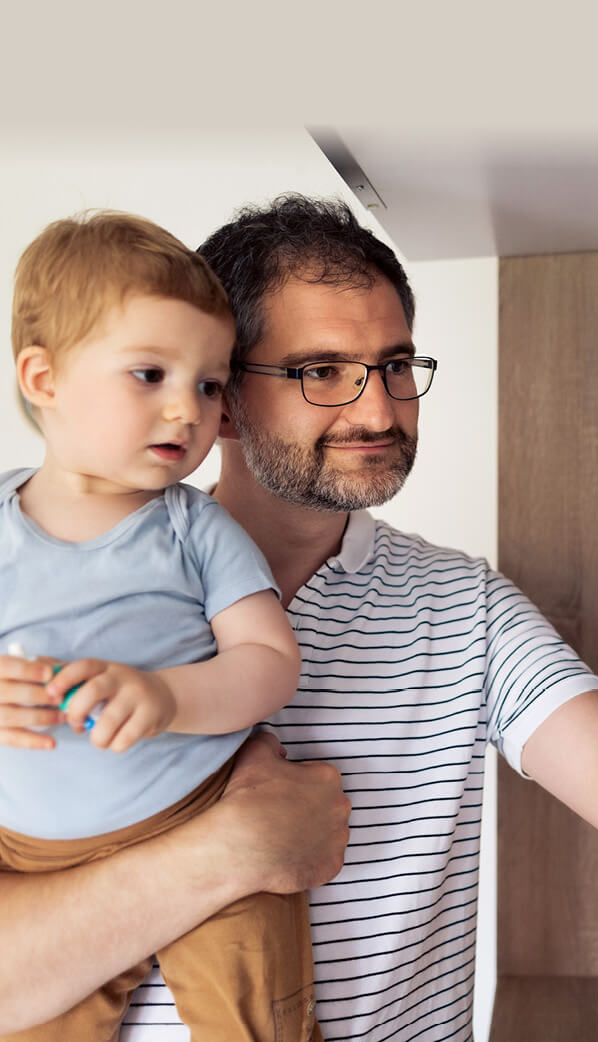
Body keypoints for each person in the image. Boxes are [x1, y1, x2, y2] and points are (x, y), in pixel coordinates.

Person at [2, 195, 598, 1042]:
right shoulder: (40, 603)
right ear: (225, 398)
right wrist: (225, 853)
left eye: (396, 365)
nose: (377, 411)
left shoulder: (459, 605)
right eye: (320, 371)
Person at [0, 211, 319, 1042]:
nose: (190, 410)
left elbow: (268, 661)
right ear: (43, 378)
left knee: (256, 1021)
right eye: (150, 374)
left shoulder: (194, 528)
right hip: (31, 860)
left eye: (210, 385)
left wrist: (168, 695)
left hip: (199, 809)